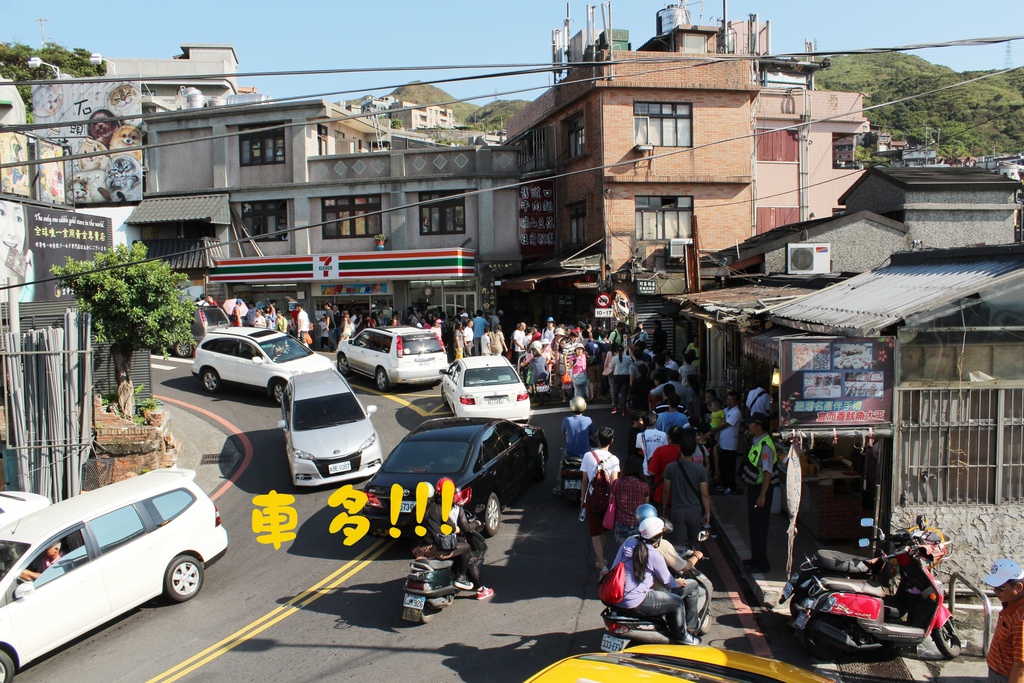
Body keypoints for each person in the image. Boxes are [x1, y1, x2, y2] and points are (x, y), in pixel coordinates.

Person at [607, 517, 700, 645]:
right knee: (677, 603)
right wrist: (677, 582)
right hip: (635, 602)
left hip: (616, 597)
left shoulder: (628, 543)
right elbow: (668, 581)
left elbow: (614, 566)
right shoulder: (654, 554)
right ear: (659, 537)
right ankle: (683, 637)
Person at [416, 478, 493, 600]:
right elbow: (460, 528)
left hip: (419, 548)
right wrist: (476, 524)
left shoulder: (416, 509)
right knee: (467, 550)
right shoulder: (443, 509)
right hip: (437, 548)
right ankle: (465, 580)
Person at [662, 430, 711, 550]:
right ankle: (694, 565)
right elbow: (705, 494)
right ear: (694, 450)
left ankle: (681, 567)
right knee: (695, 543)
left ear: (680, 449)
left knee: (678, 544)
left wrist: (664, 508)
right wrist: (707, 513)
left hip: (677, 510)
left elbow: (666, 490)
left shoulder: (671, 467)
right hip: (695, 511)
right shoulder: (701, 470)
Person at [741, 412, 777, 574]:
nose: (749, 426)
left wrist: (762, 495)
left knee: (759, 528)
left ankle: (762, 563)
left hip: (762, 492)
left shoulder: (766, 447)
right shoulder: (757, 442)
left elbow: (768, 473)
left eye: (751, 424)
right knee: (753, 527)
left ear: (759, 426)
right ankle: (755, 559)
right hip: (754, 490)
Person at [581, 427, 619, 573]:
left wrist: (582, 499)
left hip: (591, 499)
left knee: (595, 533)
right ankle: (600, 560)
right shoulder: (614, 459)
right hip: (607, 502)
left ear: (598, 439)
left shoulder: (588, 456)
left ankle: (602, 564)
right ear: (612, 441)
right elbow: (615, 482)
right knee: (603, 531)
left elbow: (584, 481)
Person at [984, 558, 1024, 683]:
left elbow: (1020, 667)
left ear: (1018, 587)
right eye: (993, 587)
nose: (995, 592)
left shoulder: (1021, 619)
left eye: (1001, 588)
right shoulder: (1010, 602)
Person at [558, 396, 596, 496]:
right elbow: (592, 433)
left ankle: (558, 487)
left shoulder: (567, 420)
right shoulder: (588, 420)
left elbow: (563, 431)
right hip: (584, 454)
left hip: (570, 453)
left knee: (561, 465)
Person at [609, 450, 649, 544]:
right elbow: (645, 506)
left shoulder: (617, 483)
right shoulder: (644, 485)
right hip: (637, 524)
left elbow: (612, 499)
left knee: (623, 551)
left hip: (621, 524)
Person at [711, 391, 742, 494]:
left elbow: (725, 424)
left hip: (730, 444)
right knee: (723, 465)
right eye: (728, 399)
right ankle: (724, 484)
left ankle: (731, 486)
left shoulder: (736, 412)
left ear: (737, 402)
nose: (729, 402)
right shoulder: (724, 410)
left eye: (731, 400)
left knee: (730, 466)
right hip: (722, 442)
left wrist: (713, 430)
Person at [636, 411, 668, 478]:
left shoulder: (640, 435)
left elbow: (640, 449)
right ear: (655, 421)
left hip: (647, 468)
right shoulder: (663, 435)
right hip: (661, 468)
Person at [608, 343, 633, 415]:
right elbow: (630, 366)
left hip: (617, 376)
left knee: (615, 393)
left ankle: (615, 408)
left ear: (616, 351)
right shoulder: (628, 358)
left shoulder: (614, 358)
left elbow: (611, 367)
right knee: (624, 394)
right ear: (624, 350)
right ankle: (623, 410)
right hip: (625, 376)